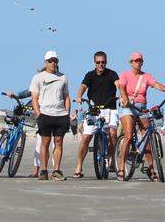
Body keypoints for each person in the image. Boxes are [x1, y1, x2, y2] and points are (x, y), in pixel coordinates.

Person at [115, 52, 165, 182]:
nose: (138, 62)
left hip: (141, 108)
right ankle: (120, 167)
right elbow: (121, 88)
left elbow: (156, 84)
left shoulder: (146, 76)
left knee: (147, 136)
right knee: (129, 135)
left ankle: (151, 168)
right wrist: (125, 100)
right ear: (131, 62)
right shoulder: (125, 74)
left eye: (140, 61)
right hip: (127, 107)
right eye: (135, 61)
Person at [73, 51, 120, 177]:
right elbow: (83, 87)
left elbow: (118, 85)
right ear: (94, 63)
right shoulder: (90, 75)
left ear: (106, 62)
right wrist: (79, 96)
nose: (101, 65)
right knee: (85, 138)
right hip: (94, 110)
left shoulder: (112, 74)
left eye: (103, 62)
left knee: (113, 134)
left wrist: (123, 95)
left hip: (110, 109)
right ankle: (79, 167)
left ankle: (111, 160)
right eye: (98, 62)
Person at [30, 50, 72, 180]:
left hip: (60, 114)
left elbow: (66, 96)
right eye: (51, 61)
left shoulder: (63, 77)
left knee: (58, 142)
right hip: (45, 114)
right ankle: (43, 170)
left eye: (55, 61)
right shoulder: (38, 77)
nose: (53, 63)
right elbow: (34, 98)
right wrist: (38, 114)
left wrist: (67, 113)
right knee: (45, 142)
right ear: (46, 62)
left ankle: (56, 170)